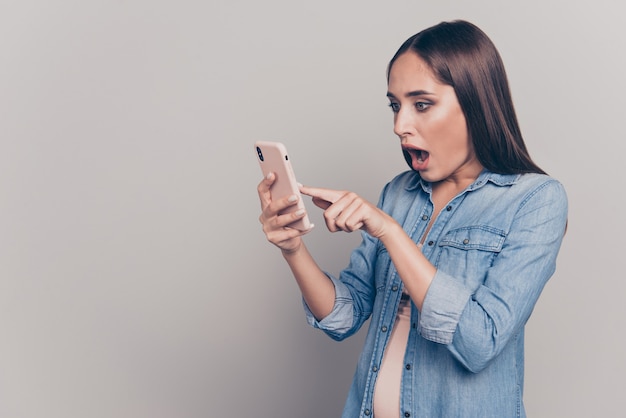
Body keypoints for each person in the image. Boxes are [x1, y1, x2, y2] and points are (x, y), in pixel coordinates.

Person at [257, 19, 567, 418]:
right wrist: (293, 249)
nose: (399, 126)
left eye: (421, 104)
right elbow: (343, 316)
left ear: (476, 103)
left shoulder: (535, 201)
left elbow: (480, 342)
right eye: (395, 105)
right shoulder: (399, 192)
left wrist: (389, 231)